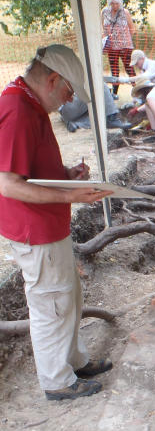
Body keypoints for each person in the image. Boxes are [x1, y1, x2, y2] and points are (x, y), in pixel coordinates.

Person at [0, 44, 113, 401]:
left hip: (48, 225)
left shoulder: (30, 105)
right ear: (51, 80)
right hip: (36, 231)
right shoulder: (17, 109)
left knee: (68, 297)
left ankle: (74, 361)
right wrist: (71, 196)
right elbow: (7, 183)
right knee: (51, 304)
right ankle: (57, 381)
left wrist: (66, 176)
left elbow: (29, 171)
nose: (68, 102)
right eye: (68, 92)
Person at [101, 0, 136, 98]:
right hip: (111, 46)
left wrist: (125, 40)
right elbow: (103, 27)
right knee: (114, 69)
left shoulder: (125, 12)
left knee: (129, 68)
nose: (115, 6)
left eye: (117, 3)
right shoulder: (104, 12)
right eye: (112, 4)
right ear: (109, 3)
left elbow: (132, 28)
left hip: (125, 46)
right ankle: (114, 94)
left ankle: (137, 91)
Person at [59, 82, 132, 131]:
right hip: (68, 106)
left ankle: (77, 124)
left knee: (98, 117)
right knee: (98, 83)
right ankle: (111, 118)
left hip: (68, 111)